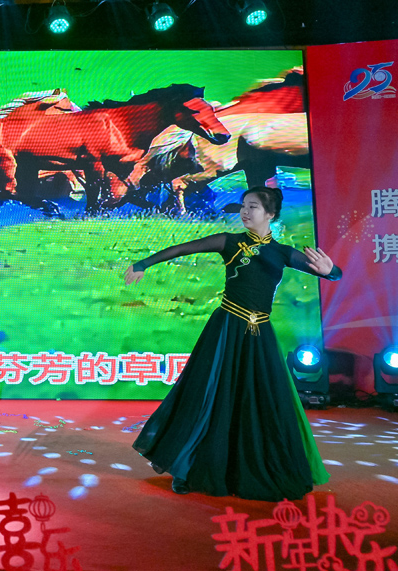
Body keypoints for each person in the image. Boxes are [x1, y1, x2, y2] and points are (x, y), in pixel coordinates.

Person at [124, 186, 341, 501]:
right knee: (207, 396)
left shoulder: (282, 253)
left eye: (253, 207)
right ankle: (187, 468)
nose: (245, 212)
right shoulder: (230, 242)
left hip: (259, 335)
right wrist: (144, 263)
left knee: (259, 401)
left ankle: (248, 467)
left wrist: (331, 272)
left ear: (270, 214)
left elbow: (334, 274)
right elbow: (185, 248)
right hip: (226, 328)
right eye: (243, 206)